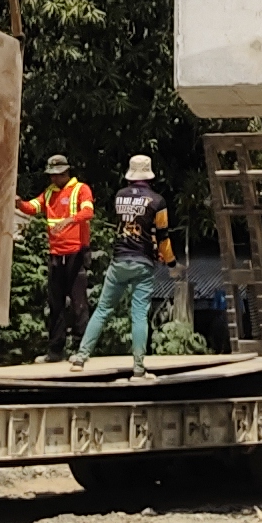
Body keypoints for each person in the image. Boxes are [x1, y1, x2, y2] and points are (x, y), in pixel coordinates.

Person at [75, 152, 175, 372]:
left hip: (119, 261)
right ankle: (139, 367)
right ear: (149, 176)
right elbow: (163, 237)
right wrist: (172, 263)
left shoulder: (119, 196)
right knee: (139, 314)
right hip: (143, 264)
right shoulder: (158, 201)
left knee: (102, 310)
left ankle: (81, 357)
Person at [18, 154, 95, 356]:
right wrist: (19, 203)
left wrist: (69, 220)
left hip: (76, 253)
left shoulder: (81, 189)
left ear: (65, 172)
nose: (53, 179)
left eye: (56, 175)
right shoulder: (49, 193)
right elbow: (32, 207)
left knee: (79, 303)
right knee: (55, 303)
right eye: (51, 175)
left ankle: (82, 348)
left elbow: (88, 212)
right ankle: (55, 349)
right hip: (56, 253)